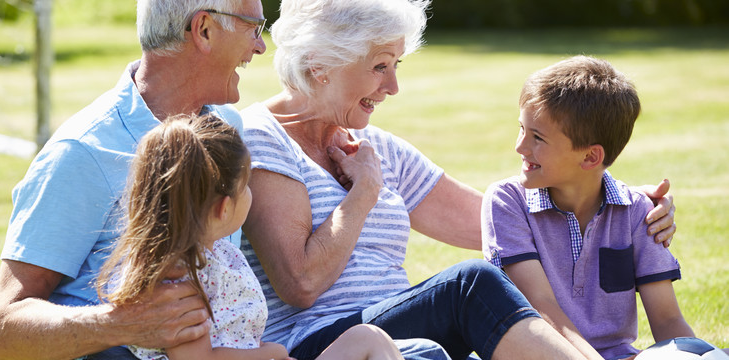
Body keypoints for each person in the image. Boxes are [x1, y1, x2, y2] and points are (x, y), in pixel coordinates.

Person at [238, 1, 676, 359]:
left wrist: (617, 204)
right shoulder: (262, 138)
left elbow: (493, 223)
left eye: (397, 65)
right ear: (321, 64)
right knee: (471, 284)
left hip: (403, 338)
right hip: (323, 343)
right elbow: (301, 284)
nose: (393, 86)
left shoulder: (375, 145)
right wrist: (364, 192)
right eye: (379, 66)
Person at [0, 0, 266, 359]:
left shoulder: (228, 130)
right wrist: (122, 324)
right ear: (204, 30)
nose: (261, 45)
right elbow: (1, 330)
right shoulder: (83, 151)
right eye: (253, 28)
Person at [96, 114, 404, 360]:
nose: (251, 193)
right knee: (369, 340)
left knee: (367, 337)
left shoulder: (216, 257)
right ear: (223, 207)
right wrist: (272, 352)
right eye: (246, 186)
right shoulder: (177, 280)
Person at [481, 56, 693, 360]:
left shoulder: (637, 213)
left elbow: (667, 320)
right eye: (522, 129)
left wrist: (700, 355)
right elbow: (540, 306)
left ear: (591, 157)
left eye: (537, 137)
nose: (520, 146)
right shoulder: (506, 201)